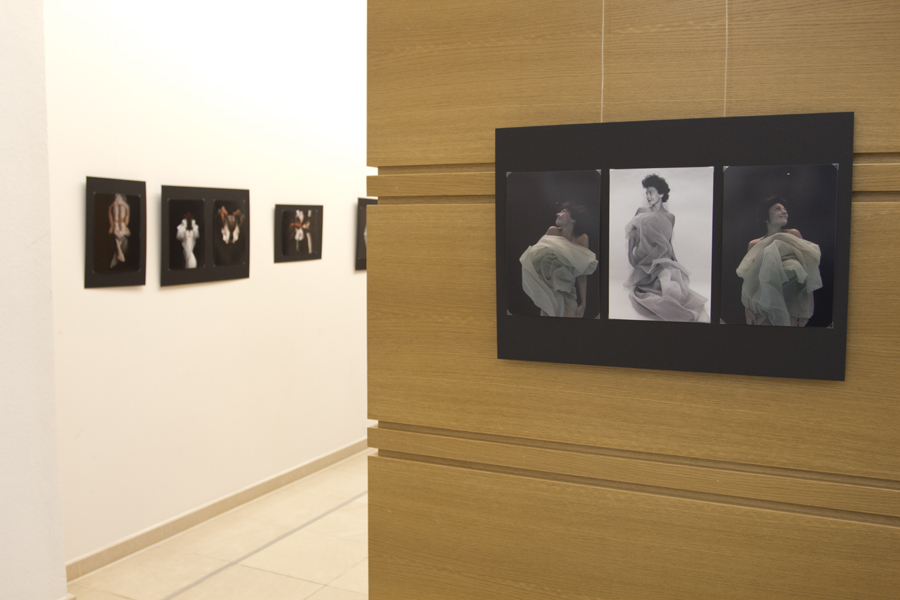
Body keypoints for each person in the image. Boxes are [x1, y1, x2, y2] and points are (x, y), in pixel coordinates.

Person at [623, 174, 708, 322]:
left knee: (673, 287)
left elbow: (667, 242)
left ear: (661, 193)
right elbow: (633, 234)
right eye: (646, 193)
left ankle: (684, 314)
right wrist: (630, 253)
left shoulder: (670, 217)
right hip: (644, 260)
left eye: (651, 192)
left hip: (661, 259)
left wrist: (675, 261)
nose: (648, 196)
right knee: (647, 292)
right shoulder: (641, 211)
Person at [736, 196, 822, 326]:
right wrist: (747, 309)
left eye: (785, 209)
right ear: (766, 217)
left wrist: (805, 310)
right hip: (764, 304)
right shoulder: (754, 244)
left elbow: (807, 272)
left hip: (790, 303)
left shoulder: (793, 235)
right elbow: (749, 280)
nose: (784, 212)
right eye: (778, 209)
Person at [520, 202, 598, 317]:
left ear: (573, 219)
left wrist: (583, 302)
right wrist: (542, 289)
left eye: (563, 212)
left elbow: (582, 272)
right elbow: (534, 258)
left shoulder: (582, 239)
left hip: (568, 291)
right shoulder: (552, 232)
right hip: (550, 291)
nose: (558, 214)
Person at [107, 194, 130, 268]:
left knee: (119, 232)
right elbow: (111, 217)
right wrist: (112, 206)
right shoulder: (115, 222)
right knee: (116, 231)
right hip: (117, 228)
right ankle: (119, 251)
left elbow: (127, 215)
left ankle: (118, 251)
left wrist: (123, 204)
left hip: (121, 228)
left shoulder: (123, 222)